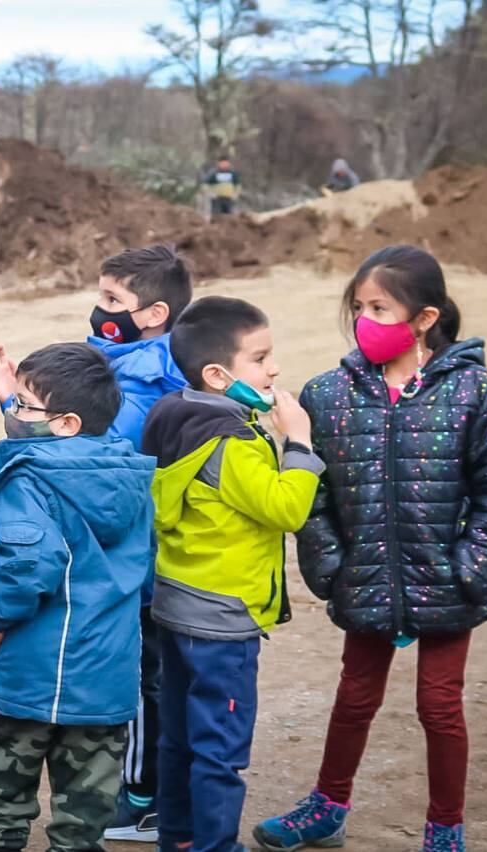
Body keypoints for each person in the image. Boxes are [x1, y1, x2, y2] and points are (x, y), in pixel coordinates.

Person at [252, 246, 487, 852]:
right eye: (358, 307)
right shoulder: (328, 394)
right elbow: (315, 491)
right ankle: (327, 807)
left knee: (440, 707)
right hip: (367, 581)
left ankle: (445, 828)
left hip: (447, 586)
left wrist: (470, 574)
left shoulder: (480, 392)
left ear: (425, 317)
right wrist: (332, 567)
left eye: (380, 307)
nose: (364, 320)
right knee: (354, 697)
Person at [142, 297, 325, 852]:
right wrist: (299, 443)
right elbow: (286, 509)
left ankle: (176, 838)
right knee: (219, 748)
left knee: (178, 736)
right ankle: (217, 845)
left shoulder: (175, 414)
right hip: (224, 621)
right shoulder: (234, 443)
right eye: (261, 358)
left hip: (176, 605)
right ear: (218, 375)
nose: (273, 370)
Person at [0, 342, 157, 852]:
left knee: (4, 783)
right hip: (105, 677)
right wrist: (10, 397)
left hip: (32, 671)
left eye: (25, 405)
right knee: (87, 802)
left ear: (67, 423)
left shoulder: (29, 478)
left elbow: (30, 562)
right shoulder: (130, 475)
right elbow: (146, 572)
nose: (15, 414)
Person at [85, 244, 192, 843]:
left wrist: (20, 412)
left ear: (153, 314)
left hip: (139, 562)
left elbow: (96, 450)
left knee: (142, 677)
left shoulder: (147, 383)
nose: (98, 310)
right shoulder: (123, 359)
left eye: (111, 300)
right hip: (133, 557)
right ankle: (144, 785)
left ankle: (143, 796)